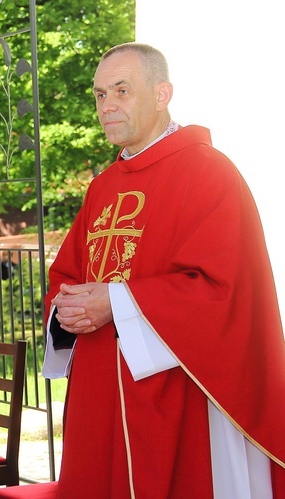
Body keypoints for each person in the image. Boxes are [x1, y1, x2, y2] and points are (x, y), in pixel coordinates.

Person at [43, 43, 285, 498]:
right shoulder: (103, 186)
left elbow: (224, 293)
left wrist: (115, 303)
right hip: (101, 397)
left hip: (178, 394)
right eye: (99, 95)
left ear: (162, 93)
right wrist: (66, 309)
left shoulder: (210, 174)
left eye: (121, 90)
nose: (107, 105)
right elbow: (69, 274)